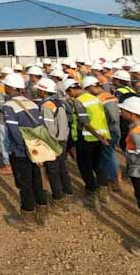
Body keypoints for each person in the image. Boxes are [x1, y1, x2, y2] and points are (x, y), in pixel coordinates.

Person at [1, 73, 49, 230]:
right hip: (36, 148)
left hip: (21, 151)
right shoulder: (32, 103)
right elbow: (41, 126)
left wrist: (22, 148)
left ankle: (28, 216)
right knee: (37, 180)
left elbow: (14, 131)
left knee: (24, 183)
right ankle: (42, 213)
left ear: (9, 87)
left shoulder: (9, 106)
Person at [65, 78, 111, 208]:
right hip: (101, 136)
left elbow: (85, 122)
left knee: (85, 167)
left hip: (87, 138)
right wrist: (101, 136)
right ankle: (103, 194)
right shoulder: (95, 98)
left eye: (69, 93)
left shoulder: (79, 101)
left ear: (72, 89)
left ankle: (91, 195)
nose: (69, 96)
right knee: (98, 165)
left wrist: (97, 135)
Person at [36, 78, 73, 211]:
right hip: (63, 139)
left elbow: (48, 128)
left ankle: (58, 198)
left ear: (42, 91)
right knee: (62, 167)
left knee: (52, 170)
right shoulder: (60, 103)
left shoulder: (46, 106)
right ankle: (68, 193)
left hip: (52, 141)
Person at [82, 76, 122, 192]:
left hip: (109, 130)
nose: (88, 93)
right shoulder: (109, 95)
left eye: (88, 89)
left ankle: (114, 179)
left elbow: (112, 117)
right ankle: (114, 177)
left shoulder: (101, 98)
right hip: (114, 129)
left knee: (108, 154)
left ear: (92, 87)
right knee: (110, 153)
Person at [118, 97, 140, 210]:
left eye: (123, 110)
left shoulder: (136, 132)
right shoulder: (135, 129)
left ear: (132, 114)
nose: (121, 112)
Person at [0, 70, 12, 175]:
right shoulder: (9, 85)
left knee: (3, 141)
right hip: (13, 119)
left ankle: (8, 165)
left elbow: (1, 107)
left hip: (3, 119)